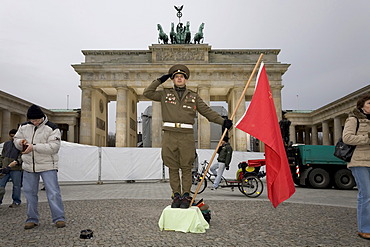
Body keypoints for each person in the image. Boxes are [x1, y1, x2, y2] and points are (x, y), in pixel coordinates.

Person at [143, 64, 232, 209]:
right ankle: (176, 195)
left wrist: (223, 121)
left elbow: (207, 112)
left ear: (186, 79)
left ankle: (185, 195)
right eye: (176, 77)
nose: (179, 79)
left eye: (182, 77)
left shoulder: (193, 96)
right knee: (172, 167)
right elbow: (148, 93)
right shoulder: (165, 94)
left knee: (186, 167)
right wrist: (159, 80)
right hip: (170, 135)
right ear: (172, 79)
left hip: (186, 136)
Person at [13, 104, 66, 230]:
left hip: (48, 165)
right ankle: (32, 219)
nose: (34, 122)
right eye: (32, 120)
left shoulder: (52, 128)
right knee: (29, 193)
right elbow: (16, 139)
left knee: (53, 193)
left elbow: (54, 147)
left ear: (42, 117)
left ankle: (59, 218)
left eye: (36, 120)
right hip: (29, 166)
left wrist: (34, 146)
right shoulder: (23, 126)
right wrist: (20, 143)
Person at [342, 94, 370, 240]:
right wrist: (367, 138)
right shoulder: (354, 119)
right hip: (359, 161)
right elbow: (347, 138)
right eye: (369, 103)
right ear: (362, 105)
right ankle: (364, 228)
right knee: (366, 195)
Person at [0, 129, 23, 208]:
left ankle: (16, 201)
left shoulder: (21, 144)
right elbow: (3, 154)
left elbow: (23, 156)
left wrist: (17, 161)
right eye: (11, 136)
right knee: (1, 185)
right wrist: (2, 162)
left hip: (16, 168)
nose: (12, 138)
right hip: (5, 168)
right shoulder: (7, 144)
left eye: (14, 136)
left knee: (16, 186)